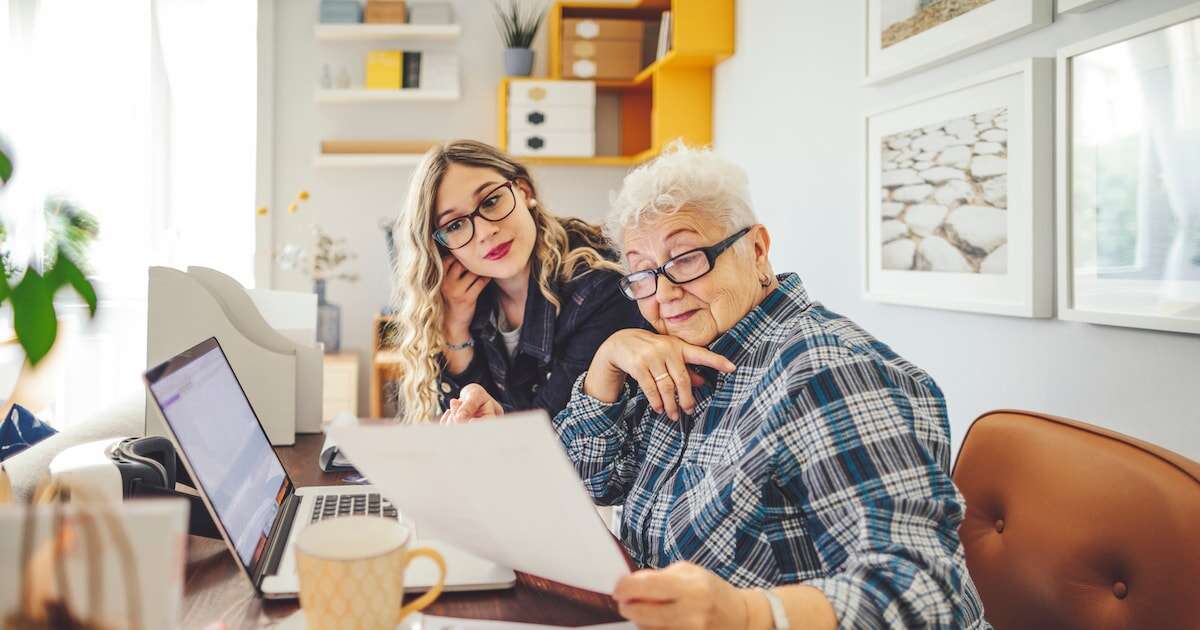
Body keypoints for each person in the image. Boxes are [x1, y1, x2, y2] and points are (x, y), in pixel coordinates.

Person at [446, 143, 989, 629]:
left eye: (685, 259)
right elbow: (593, 480)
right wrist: (605, 368)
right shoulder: (693, 354)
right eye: (641, 274)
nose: (664, 294)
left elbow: (928, 596)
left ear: (757, 250)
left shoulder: (825, 370)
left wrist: (748, 613)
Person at [389, 140, 643, 423]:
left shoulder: (598, 286)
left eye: (491, 201)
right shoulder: (464, 296)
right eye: (455, 225)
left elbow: (553, 431)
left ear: (524, 192)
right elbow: (469, 423)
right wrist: (455, 329)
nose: (485, 232)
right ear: (444, 247)